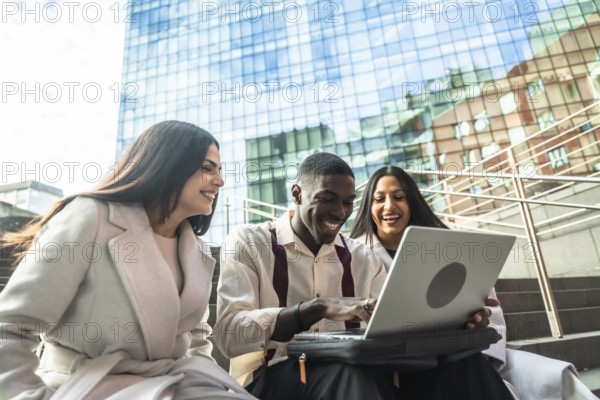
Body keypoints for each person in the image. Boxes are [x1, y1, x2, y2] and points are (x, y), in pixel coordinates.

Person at [215, 152, 514, 400]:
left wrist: (455, 319)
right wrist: (316, 309)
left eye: (347, 202)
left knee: (464, 365)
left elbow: (395, 324)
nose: (339, 212)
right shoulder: (249, 243)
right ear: (297, 193)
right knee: (347, 374)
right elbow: (229, 334)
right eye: (327, 198)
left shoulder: (362, 256)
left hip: (364, 369)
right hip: (272, 379)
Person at [0, 121, 254, 399]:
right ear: (169, 163)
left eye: (219, 171)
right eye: (207, 168)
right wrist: (27, 395)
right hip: (87, 387)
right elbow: (12, 326)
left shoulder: (198, 252)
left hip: (178, 386)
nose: (220, 180)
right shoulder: (90, 216)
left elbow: (196, 339)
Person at [350, 165, 597, 400]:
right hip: (396, 366)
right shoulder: (352, 255)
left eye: (399, 196)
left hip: (455, 352)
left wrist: (477, 320)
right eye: (379, 199)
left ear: (412, 201)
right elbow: (348, 327)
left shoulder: (450, 245)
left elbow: (491, 316)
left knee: (549, 376)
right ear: (368, 205)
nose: (389, 206)